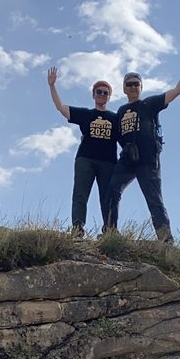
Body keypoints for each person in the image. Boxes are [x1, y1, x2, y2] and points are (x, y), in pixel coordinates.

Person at [106, 46, 180, 243]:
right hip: (128, 159)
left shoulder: (149, 104)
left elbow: (177, 91)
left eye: (135, 84)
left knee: (154, 200)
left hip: (148, 159)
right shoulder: (121, 111)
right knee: (112, 190)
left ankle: (166, 241)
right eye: (129, 84)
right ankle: (110, 233)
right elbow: (113, 135)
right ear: (123, 88)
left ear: (141, 87)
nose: (132, 87)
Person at [46, 67, 118, 235]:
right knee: (80, 194)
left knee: (107, 198)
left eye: (105, 93)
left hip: (108, 162)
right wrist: (52, 86)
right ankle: (77, 229)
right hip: (85, 159)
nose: (101, 95)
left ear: (109, 96)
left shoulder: (115, 118)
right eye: (99, 92)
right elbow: (61, 108)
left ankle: (110, 231)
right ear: (93, 95)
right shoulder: (85, 114)